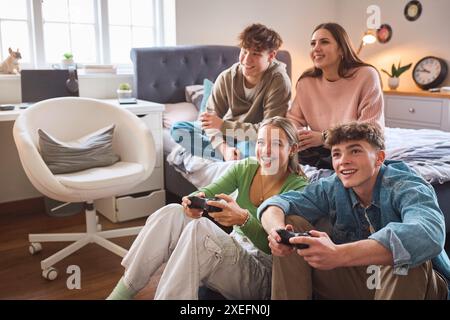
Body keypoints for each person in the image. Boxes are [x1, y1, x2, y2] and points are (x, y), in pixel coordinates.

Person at [107, 117, 308, 300]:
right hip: (234, 253)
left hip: (264, 274)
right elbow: (206, 192)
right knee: (172, 212)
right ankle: (121, 295)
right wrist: (192, 202)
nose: (265, 151)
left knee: (199, 230)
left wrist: (244, 221)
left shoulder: (299, 188)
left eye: (276, 144)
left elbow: (278, 249)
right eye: (261, 142)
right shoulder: (247, 168)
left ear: (293, 149)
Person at [258, 122, 450, 300]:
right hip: (361, 279)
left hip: (418, 285)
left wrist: (338, 254)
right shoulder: (333, 185)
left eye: (355, 151)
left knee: (402, 261)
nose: (344, 161)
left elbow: (428, 233)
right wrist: (277, 233)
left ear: (379, 158)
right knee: (293, 225)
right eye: (336, 154)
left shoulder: (406, 185)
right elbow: (277, 203)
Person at [171, 23, 291, 162]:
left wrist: (222, 125)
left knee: (259, 148)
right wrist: (224, 149)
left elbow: (269, 131)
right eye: (244, 51)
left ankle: (238, 157)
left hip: (253, 138)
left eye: (256, 54)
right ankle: (232, 157)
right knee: (178, 129)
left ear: (271, 56)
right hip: (225, 134)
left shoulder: (279, 81)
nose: (246, 60)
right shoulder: (227, 76)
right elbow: (209, 121)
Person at [287, 22, 384, 169]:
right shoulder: (306, 82)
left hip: (355, 147)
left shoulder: (366, 75)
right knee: (280, 154)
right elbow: (293, 120)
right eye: (313, 44)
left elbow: (371, 130)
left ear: (342, 49)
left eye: (324, 42)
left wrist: (325, 137)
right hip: (318, 151)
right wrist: (301, 136)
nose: (316, 49)